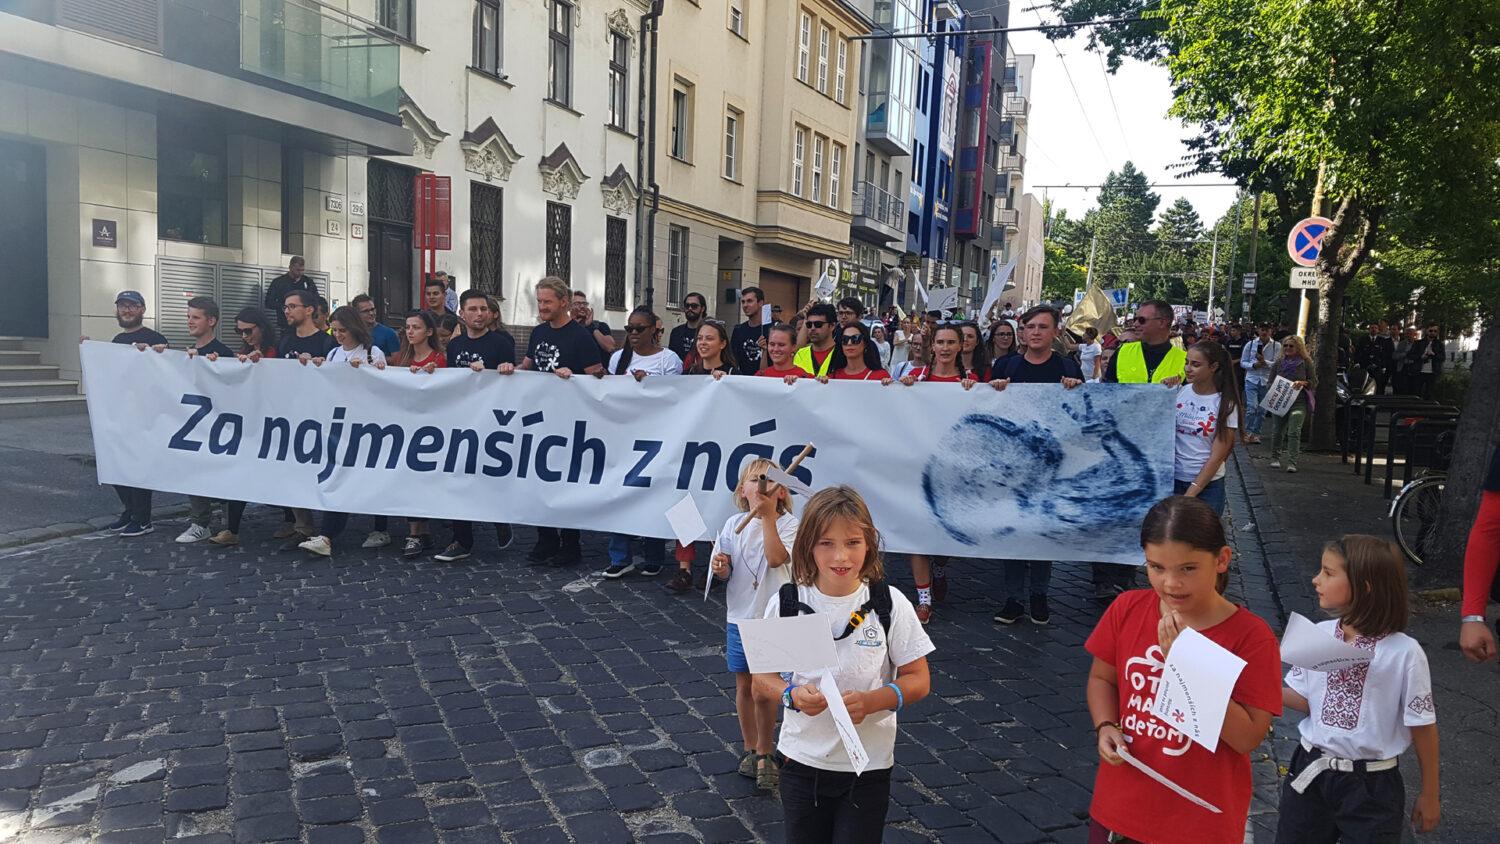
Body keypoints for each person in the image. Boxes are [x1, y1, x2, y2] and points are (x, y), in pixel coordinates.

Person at [1086, 496, 1280, 844]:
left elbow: (1247, 736)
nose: (1171, 583)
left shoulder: (1251, 636)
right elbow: (1102, 678)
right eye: (1156, 567)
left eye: (1187, 568)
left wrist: (1188, 664)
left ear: (1221, 560)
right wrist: (1105, 725)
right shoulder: (1127, 608)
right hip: (1121, 807)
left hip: (1198, 821)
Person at [753, 486, 933, 841]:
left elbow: (919, 679)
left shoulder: (889, 603)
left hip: (868, 767)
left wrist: (872, 702)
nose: (841, 556)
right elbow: (762, 678)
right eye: (826, 543)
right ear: (807, 545)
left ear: (869, 544)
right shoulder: (788, 601)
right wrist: (791, 695)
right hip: (801, 762)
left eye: (852, 542)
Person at [1278, 536, 1441, 841]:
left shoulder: (1404, 652)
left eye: (1328, 573)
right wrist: (1245, 684)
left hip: (1372, 788)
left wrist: (1430, 794)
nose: (1316, 580)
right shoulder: (1318, 634)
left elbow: (1423, 727)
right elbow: (1305, 699)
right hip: (1310, 772)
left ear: (1364, 587)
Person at [988, 305, 1085, 626]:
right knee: (1014, 530)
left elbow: (1083, 412)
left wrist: (1075, 388)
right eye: (1030, 326)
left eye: (1043, 327)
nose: (1036, 332)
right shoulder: (1006, 365)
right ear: (1022, 331)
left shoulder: (1067, 366)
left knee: (1042, 531)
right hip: (1013, 463)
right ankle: (1013, 598)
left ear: (1055, 332)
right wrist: (995, 389)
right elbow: (987, 410)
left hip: (1052, 463)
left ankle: (1040, 594)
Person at [499, 278, 603, 567]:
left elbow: (598, 376)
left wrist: (576, 376)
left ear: (564, 303)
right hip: (539, 419)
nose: (542, 307)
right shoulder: (539, 332)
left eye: (547, 302)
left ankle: (571, 545)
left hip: (568, 422)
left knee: (563, 482)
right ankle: (545, 540)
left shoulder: (580, 336)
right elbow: (530, 366)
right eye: (540, 301)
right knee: (538, 479)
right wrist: (512, 370)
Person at [710, 458, 798, 791]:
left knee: (768, 688)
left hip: (775, 619)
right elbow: (726, 572)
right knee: (745, 686)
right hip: (740, 617)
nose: (760, 487)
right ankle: (750, 747)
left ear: (780, 492)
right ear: (742, 491)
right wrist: (720, 568)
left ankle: (767, 750)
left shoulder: (790, 525)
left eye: (767, 481)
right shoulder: (733, 525)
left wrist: (767, 518)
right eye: (753, 481)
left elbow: (776, 558)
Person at [899, 324, 975, 624]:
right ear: (932, 346)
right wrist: (896, 391)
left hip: (953, 469)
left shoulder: (971, 380)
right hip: (918, 467)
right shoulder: (915, 378)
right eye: (940, 342)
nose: (944, 348)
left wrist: (987, 390)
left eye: (950, 342)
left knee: (942, 534)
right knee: (917, 535)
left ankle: (940, 566)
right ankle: (924, 598)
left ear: (961, 347)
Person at [434, 291, 519, 562]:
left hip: (489, 420)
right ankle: (461, 540)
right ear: (462, 314)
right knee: (458, 476)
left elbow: (511, 378)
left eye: (483, 309)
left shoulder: (501, 342)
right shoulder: (456, 345)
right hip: (461, 420)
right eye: (473, 309)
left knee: (487, 476)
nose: (479, 314)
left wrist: (506, 369)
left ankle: (499, 518)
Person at [601, 306, 682, 579]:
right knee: (618, 493)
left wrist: (650, 386)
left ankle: (654, 554)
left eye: (639, 329)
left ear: (653, 330)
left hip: (657, 437)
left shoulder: (668, 360)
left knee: (652, 495)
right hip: (624, 435)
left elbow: (678, 398)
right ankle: (619, 555)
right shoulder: (618, 359)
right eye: (629, 329)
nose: (633, 334)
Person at [174, 297, 241, 545]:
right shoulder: (188, 355)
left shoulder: (222, 354)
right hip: (195, 426)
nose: (190, 321)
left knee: (221, 474)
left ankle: (226, 525)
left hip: (219, 427)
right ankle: (200, 523)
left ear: (211, 321)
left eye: (196, 317)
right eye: (188, 316)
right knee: (195, 472)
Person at [390, 310, 447, 557]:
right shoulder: (403, 359)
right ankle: (416, 532)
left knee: (423, 480)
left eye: (416, 327)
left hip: (431, 428)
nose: (410, 331)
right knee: (408, 479)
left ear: (429, 331)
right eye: (408, 327)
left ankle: (419, 531)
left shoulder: (440, 359)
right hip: (406, 426)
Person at [1173, 341, 1241, 516]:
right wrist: (1163, 389)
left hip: (1207, 487)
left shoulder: (1225, 404)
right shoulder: (1180, 392)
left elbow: (1218, 457)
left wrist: (1192, 492)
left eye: (1195, 364)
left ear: (1214, 367)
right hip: (1173, 479)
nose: (1188, 368)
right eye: (1186, 362)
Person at [1104, 299, 1185, 386]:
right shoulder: (1122, 351)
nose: (1135, 324)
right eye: (1135, 319)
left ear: (1161, 322)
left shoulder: (1185, 360)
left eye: (1141, 320)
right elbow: (1108, 392)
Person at [1268, 335, 1315, 474]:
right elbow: (1270, 381)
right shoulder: (1278, 363)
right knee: (1277, 431)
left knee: (1294, 431)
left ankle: (1292, 462)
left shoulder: (1306, 362)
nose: (1288, 348)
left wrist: (1303, 383)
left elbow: (1313, 381)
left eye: (1291, 346)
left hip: (1298, 401)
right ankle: (1275, 457)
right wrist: (1275, 388)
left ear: (1298, 348)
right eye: (1285, 346)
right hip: (1280, 400)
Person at [1240, 324, 1283, 444]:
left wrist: (1264, 362)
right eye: (1262, 329)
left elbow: (1277, 364)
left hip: (1266, 380)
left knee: (1262, 410)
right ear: (1258, 330)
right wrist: (1253, 365)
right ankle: (1248, 432)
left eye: (1267, 330)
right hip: (1252, 379)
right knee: (1252, 407)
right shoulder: (1251, 344)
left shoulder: (1276, 346)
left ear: (1271, 331)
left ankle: (1256, 433)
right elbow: (1243, 362)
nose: (1264, 332)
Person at [822, 322, 891, 383]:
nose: (849, 343)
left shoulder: (881, 377)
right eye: (844, 339)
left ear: (865, 343)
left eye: (855, 338)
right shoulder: (832, 378)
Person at [264, 256, 317, 331]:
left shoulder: (308, 282)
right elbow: (268, 302)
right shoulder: (279, 282)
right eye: (298, 270)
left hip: (304, 324)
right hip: (286, 324)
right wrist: (285, 307)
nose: (300, 273)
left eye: (302, 270)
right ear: (290, 267)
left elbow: (315, 300)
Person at [792, 304, 838, 377]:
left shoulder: (843, 353)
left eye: (818, 324)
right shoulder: (800, 354)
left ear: (832, 326)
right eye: (809, 324)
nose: (812, 328)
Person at [731, 287, 768, 373]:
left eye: (749, 301)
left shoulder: (772, 329)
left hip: (767, 380)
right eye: (743, 302)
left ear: (760, 303)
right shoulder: (738, 330)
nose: (745, 305)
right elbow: (733, 359)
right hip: (744, 381)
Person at [571, 290, 618, 357]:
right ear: (569, 307)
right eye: (577, 303)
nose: (582, 306)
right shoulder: (566, 328)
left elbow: (610, 347)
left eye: (584, 304)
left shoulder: (600, 326)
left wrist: (591, 326)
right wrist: (573, 325)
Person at [668, 291, 708, 365]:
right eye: (687, 306)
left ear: (702, 308)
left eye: (694, 306)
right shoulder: (676, 332)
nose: (690, 309)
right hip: (679, 374)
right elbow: (671, 357)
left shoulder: (709, 332)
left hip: (702, 374)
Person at [1409, 324, 1445, 400]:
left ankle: (1427, 409)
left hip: (1433, 372)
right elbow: (1410, 355)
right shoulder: (1418, 343)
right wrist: (1421, 356)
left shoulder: (1440, 344)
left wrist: (1434, 354)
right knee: (1416, 392)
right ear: (1426, 331)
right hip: (1419, 371)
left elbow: (1442, 357)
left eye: (1435, 331)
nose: (1433, 333)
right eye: (1431, 330)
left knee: (1430, 393)